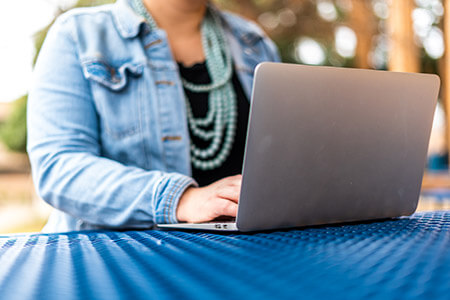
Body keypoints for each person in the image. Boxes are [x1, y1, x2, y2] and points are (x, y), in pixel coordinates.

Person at [27, 0, 280, 232]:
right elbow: (58, 167)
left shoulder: (253, 41)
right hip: (116, 260)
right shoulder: (77, 34)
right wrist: (181, 200)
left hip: (240, 256)